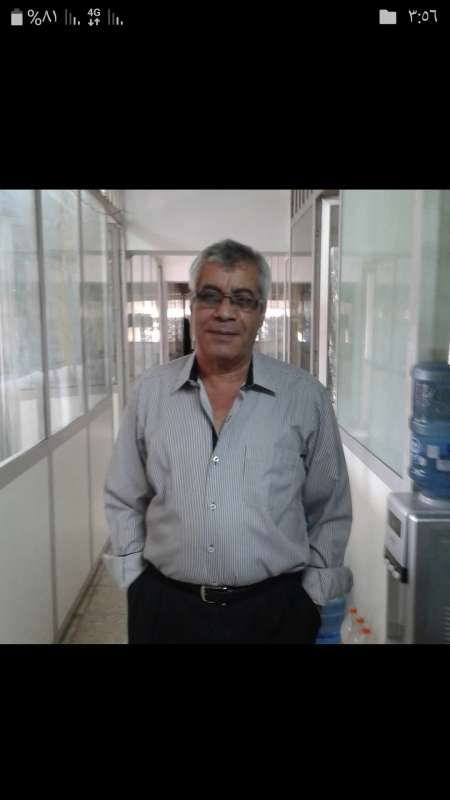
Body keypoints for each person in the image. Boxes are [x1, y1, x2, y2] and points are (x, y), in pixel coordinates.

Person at [104, 239, 353, 644]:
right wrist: (136, 579)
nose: (224, 312)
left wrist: (312, 596)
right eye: (210, 296)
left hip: (275, 613)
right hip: (166, 610)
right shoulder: (151, 393)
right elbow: (124, 495)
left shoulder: (305, 398)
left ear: (261, 312)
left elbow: (331, 506)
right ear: (192, 306)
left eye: (242, 299)